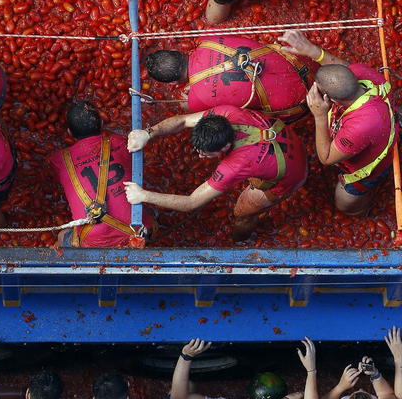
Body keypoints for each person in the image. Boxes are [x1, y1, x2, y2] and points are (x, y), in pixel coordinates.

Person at [125, 102, 308, 242]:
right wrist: (148, 133)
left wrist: (143, 196)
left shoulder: (233, 166)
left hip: (290, 176)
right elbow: (182, 120)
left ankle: (239, 241)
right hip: (287, 139)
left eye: (206, 153)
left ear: (226, 147)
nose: (201, 155)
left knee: (243, 212)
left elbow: (192, 202)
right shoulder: (226, 112)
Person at [279, 29, 397, 216]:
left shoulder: (360, 126)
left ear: (333, 101)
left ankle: (365, 208)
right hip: (381, 124)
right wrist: (310, 49)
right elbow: (341, 67)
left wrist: (319, 115)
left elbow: (326, 158)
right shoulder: (364, 75)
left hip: (366, 169)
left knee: (345, 206)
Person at [143, 34, 318, 121]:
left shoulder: (195, 102)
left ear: (174, 83)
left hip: (302, 105)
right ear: (177, 51)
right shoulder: (207, 39)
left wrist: (188, 104)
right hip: (307, 61)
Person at [50, 100, 152, 248]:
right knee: (150, 214)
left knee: (61, 236)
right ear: (102, 125)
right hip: (137, 232)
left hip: (91, 241)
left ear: (69, 133)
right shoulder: (121, 142)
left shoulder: (58, 160)